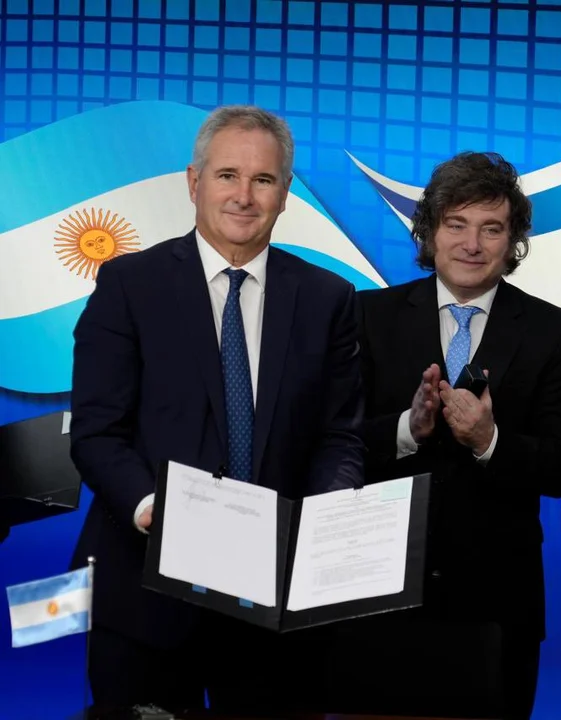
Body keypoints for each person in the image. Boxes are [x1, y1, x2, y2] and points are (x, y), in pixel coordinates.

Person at [69, 105, 365, 714]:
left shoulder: (327, 298)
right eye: (228, 174)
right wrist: (152, 509)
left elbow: (341, 436)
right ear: (194, 181)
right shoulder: (128, 285)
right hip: (145, 594)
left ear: (285, 193)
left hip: (276, 608)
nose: (244, 196)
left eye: (263, 180)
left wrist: (326, 517)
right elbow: (97, 433)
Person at [328, 151, 561, 720]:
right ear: (429, 231)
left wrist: (489, 440)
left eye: (491, 228)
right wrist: (409, 428)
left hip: (497, 607)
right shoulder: (366, 315)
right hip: (375, 593)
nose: (472, 244)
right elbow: (332, 441)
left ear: (513, 240)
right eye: (456, 224)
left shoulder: (556, 332)